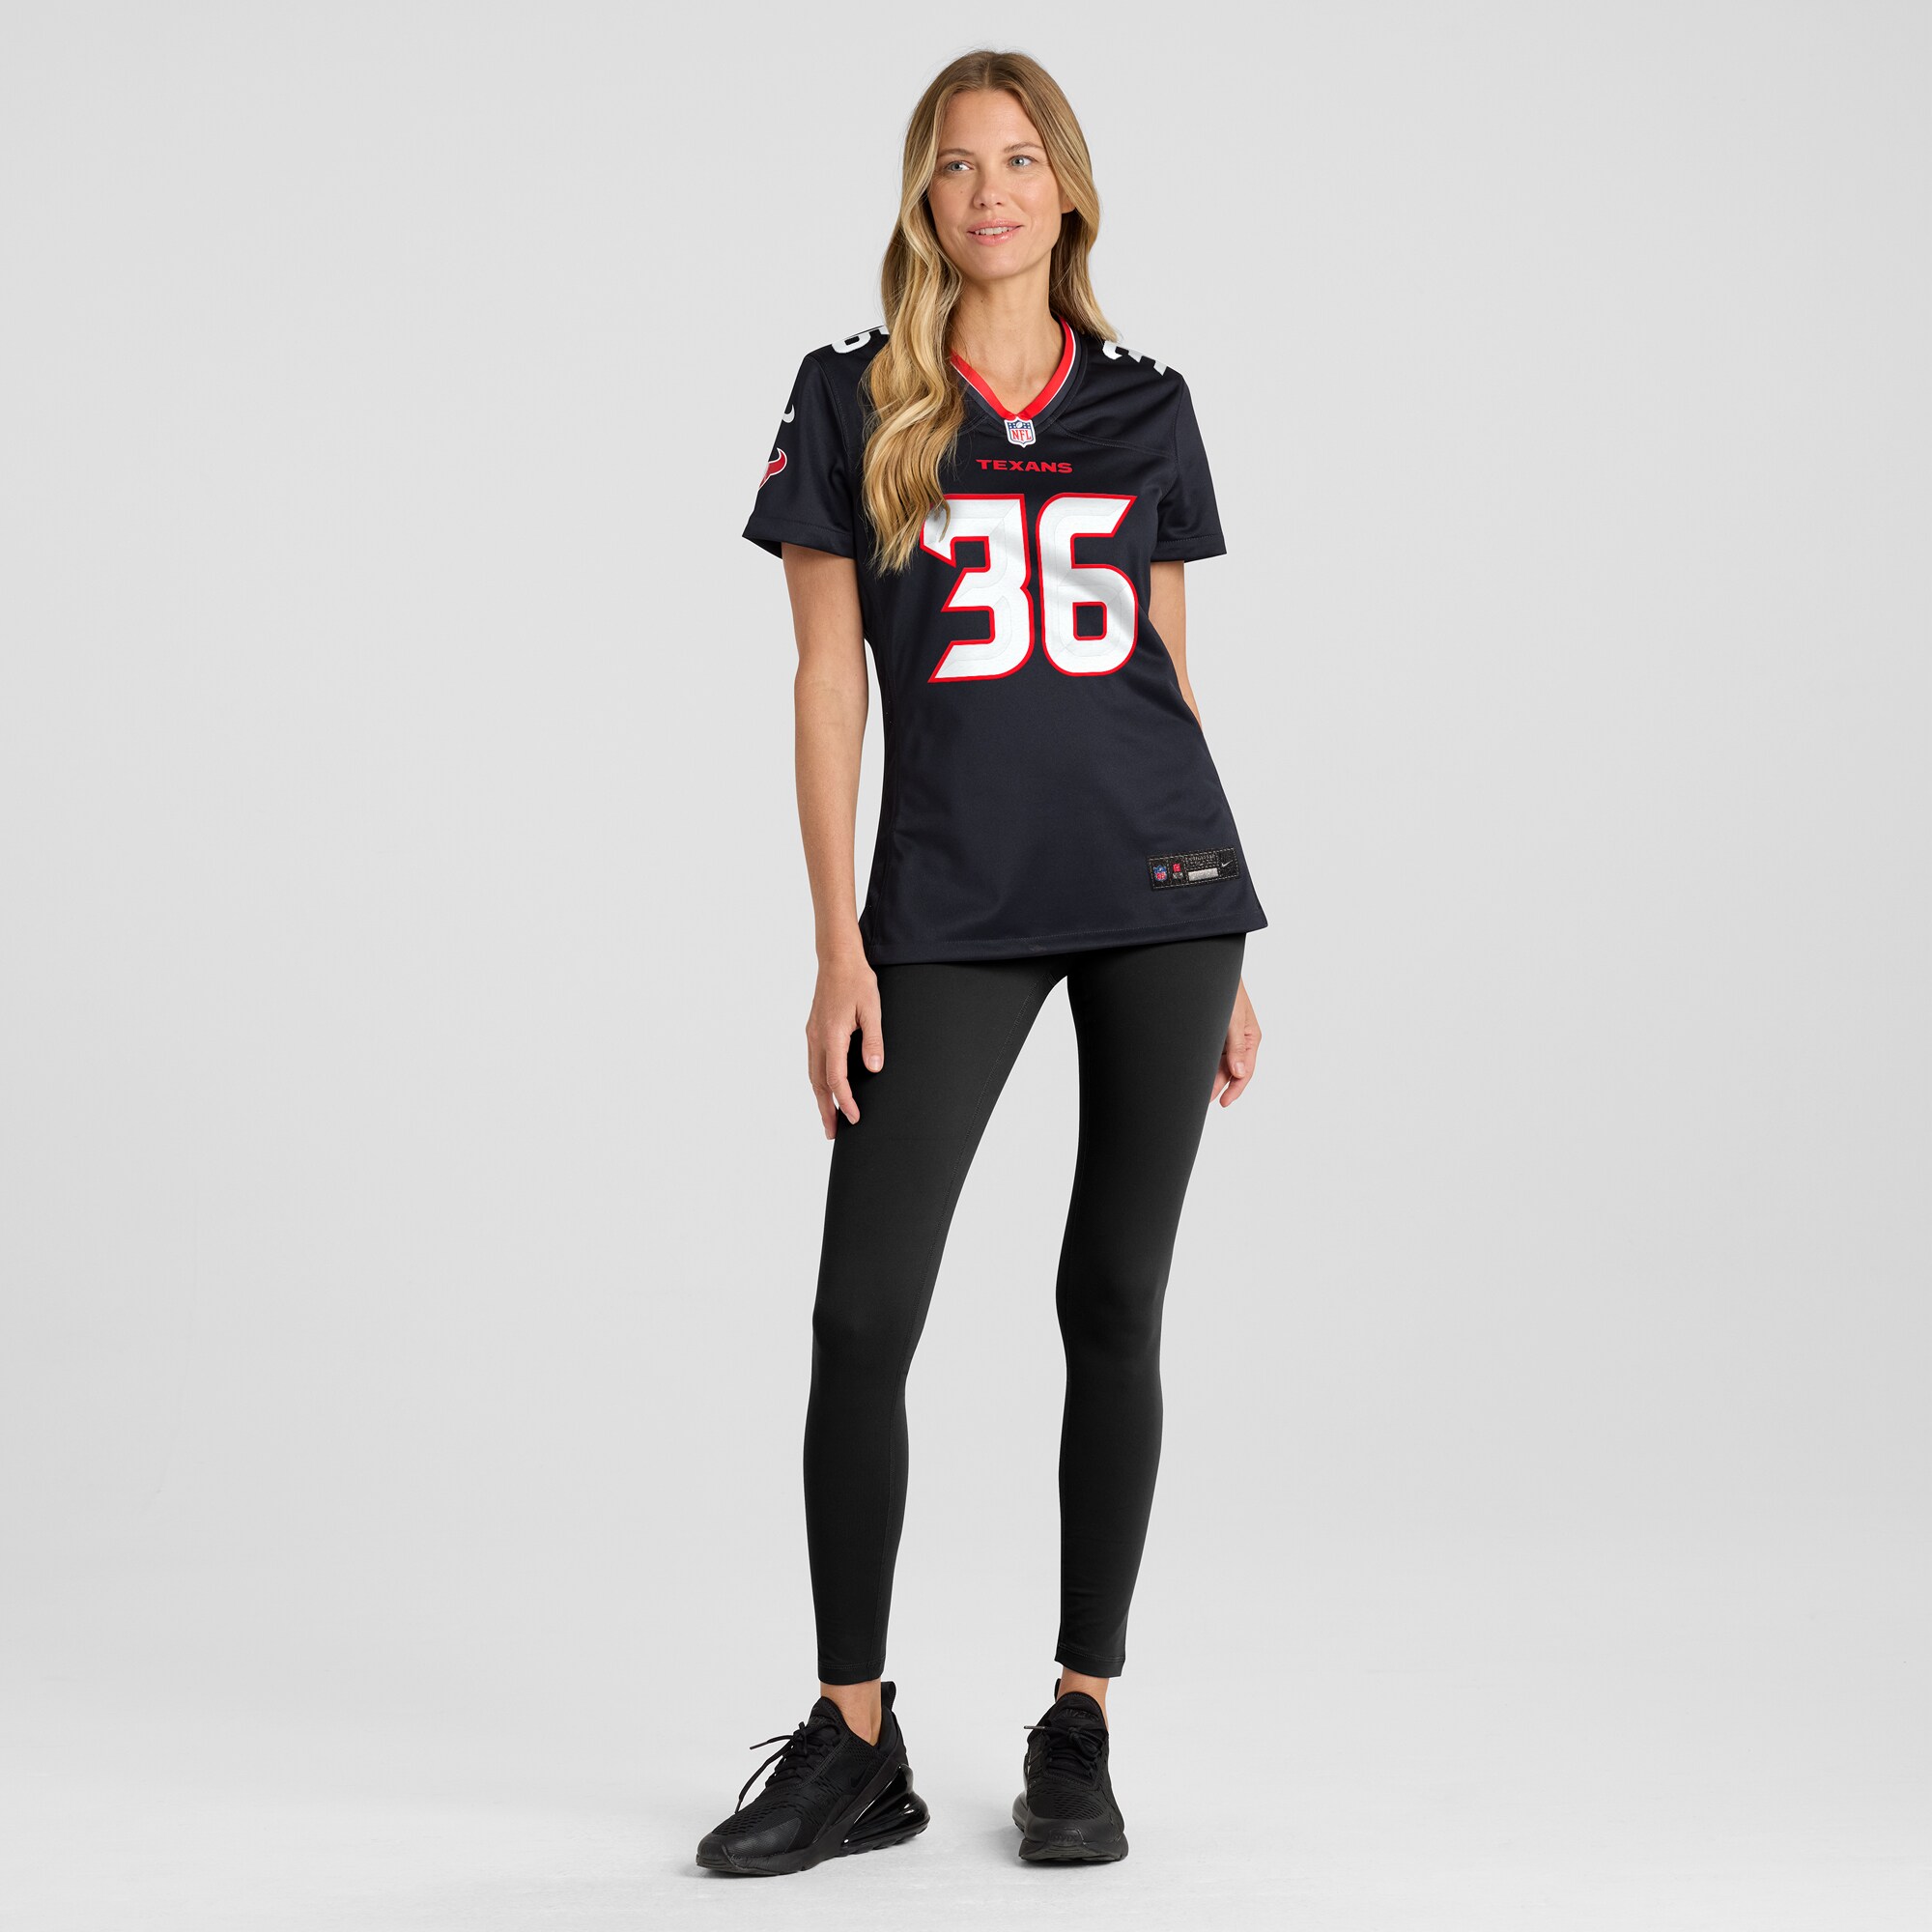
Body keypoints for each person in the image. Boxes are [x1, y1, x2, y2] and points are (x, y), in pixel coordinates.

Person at [696, 47, 1266, 1877]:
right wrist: (835, 942)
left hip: (1164, 890)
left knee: (1114, 1298)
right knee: (864, 1313)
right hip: (946, 904)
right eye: (959, 165)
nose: (992, 192)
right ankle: (855, 1740)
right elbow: (826, 682)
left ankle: (1080, 1716)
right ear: (924, 199)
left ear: (1067, 188)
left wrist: (1231, 943)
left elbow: (1167, 677)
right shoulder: (853, 397)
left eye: (1021, 160)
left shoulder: (1147, 406)